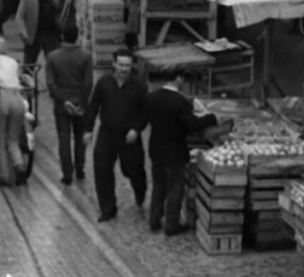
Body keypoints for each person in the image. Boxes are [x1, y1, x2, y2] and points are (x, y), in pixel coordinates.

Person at [135, 73, 221, 236]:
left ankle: (154, 219)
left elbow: (143, 119)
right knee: (175, 188)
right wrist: (211, 117)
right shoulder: (180, 102)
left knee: (159, 185)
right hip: (175, 151)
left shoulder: (152, 98)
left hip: (156, 149)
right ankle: (171, 224)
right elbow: (192, 124)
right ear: (178, 79)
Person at [83, 49, 148, 222]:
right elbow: (93, 106)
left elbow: (146, 111)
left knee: (133, 169)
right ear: (114, 64)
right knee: (102, 168)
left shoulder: (139, 85)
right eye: (121, 65)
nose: (124, 69)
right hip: (107, 134)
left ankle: (140, 190)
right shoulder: (104, 83)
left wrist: (136, 129)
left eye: (127, 65)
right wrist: (88, 130)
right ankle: (108, 208)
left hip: (130, 136)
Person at [46, 24, 93, 185]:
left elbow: (51, 84)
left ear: (62, 36)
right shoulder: (86, 56)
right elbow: (88, 83)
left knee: (63, 138)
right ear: (77, 36)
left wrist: (64, 100)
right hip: (80, 102)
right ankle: (80, 169)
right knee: (80, 138)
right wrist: (81, 102)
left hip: (62, 104)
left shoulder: (53, 57)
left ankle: (67, 174)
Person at [0, 37, 27, 186]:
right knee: (13, 138)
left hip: (2, 98)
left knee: (0, 138)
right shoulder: (13, 62)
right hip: (18, 99)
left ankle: (4, 175)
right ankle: (19, 165)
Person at [16, 0, 74, 66]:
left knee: (54, 63)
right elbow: (20, 17)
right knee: (29, 63)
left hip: (51, 34)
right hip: (34, 34)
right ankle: (27, 79)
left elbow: (61, 10)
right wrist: (23, 31)